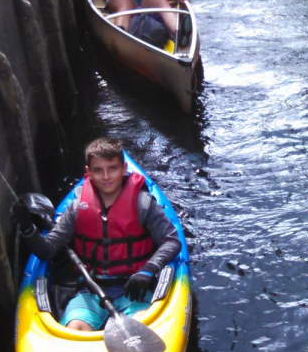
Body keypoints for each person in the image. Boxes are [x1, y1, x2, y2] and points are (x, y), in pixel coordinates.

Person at [11, 138, 181, 332]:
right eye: (98, 170)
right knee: (75, 328)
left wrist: (148, 270)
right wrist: (27, 227)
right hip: (90, 290)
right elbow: (47, 250)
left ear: (124, 169)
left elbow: (171, 242)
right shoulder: (77, 208)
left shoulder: (143, 204)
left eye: (113, 168)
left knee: (140, 325)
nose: (106, 176)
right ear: (88, 173)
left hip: (134, 288)